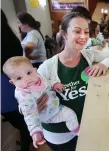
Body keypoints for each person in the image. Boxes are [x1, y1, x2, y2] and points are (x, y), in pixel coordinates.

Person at [37, 12, 109, 151]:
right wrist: (29, 107)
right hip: (59, 134)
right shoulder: (47, 67)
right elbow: (25, 95)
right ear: (64, 34)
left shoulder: (88, 55)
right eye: (77, 31)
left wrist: (103, 64)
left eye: (86, 32)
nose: (83, 36)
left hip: (85, 125)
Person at [3, 56, 80, 149]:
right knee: (69, 115)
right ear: (12, 82)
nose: (27, 79)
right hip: (47, 115)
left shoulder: (38, 77)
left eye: (28, 73)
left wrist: (54, 84)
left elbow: (47, 81)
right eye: (19, 78)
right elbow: (30, 115)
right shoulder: (25, 95)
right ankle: (76, 132)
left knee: (70, 114)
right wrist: (35, 132)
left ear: (35, 70)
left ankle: (76, 131)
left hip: (56, 107)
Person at [1, 9, 31, 150]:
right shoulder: (11, 38)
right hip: (14, 86)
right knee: (24, 119)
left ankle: (26, 145)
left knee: (23, 122)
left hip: (7, 90)